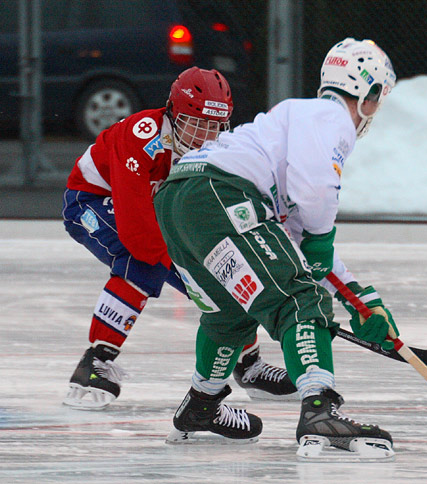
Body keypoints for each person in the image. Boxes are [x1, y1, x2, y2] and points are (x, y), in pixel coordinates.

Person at [153, 38, 399, 460]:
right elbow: (317, 192)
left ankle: (201, 405)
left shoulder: (294, 124)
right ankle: (320, 409)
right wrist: (322, 248)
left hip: (180, 201)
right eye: (377, 99)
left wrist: (361, 299)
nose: (373, 112)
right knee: (301, 300)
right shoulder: (330, 117)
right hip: (220, 193)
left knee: (227, 313)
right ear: (366, 93)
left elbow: (298, 236)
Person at [62, 67, 297, 410]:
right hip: (93, 200)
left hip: (155, 207)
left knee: (223, 277)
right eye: (194, 123)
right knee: (141, 262)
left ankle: (249, 364)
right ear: (172, 112)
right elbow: (138, 233)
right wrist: (191, 264)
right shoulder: (142, 137)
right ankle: (95, 361)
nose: (203, 137)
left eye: (212, 126)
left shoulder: (222, 151)